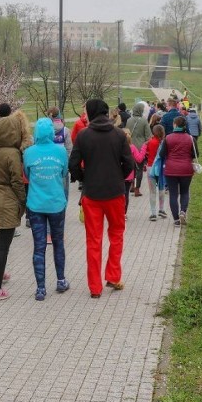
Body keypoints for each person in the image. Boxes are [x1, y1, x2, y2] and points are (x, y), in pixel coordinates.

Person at [69, 99, 135, 298]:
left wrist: (85, 178)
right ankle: (113, 276)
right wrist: (118, 177)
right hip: (115, 193)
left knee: (93, 240)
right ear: (107, 113)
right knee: (116, 235)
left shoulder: (83, 135)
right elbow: (129, 163)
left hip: (92, 194)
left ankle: (95, 287)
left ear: (89, 113)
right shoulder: (119, 135)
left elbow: (73, 165)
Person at [24, 117, 70, 301]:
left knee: (39, 246)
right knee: (58, 242)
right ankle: (60, 280)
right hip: (56, 204)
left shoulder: (28, 153)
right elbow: (64, 173)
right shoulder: (60, 151)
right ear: (52, 132)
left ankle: (41, 289)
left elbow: (26, 174)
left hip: (35, 205)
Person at [0, 110, 29, 301]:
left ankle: (0, 273)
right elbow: (17, 182)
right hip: (6, 199)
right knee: (4, 245)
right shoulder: (12, 153)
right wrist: (23, 201)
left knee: (1, 241)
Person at [157, 116, 197, 227]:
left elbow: (161, 154)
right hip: (186, 169)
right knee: (185, 192)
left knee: (173, 194)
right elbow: (196, 154)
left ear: (175, 125)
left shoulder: (168, 138)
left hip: (171, 170)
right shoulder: (191, 138)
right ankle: (183, 211)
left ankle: (176, 220)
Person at [125, 102, 151, 197]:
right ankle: (137, 189)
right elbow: (149, 136)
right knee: (139, 169)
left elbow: (127, 133)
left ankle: (132, 185)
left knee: (131, 168)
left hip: (129, 146)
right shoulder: (144, 121)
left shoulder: (128, 120)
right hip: (140, 148)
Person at [145, 124, 167, 222]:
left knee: (152, 191)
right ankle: (161, 209)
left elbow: (147, 152)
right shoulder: (164, 143)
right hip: (161, 169)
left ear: (154, 132)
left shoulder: (150, 142)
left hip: (151, 167)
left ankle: (153, 213)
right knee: (162, 189)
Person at [122, 128, 146, 216]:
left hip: (117, 175)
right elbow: (139, 159)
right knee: (126, 194)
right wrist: (144, 147)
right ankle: (124, 213)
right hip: (129, 175)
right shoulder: (132, 147)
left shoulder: (116, 147)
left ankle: (116, 213)